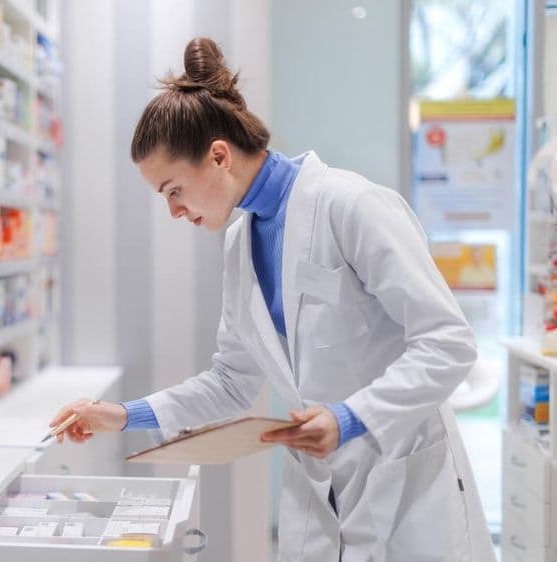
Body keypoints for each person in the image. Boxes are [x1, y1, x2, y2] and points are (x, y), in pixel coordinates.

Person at [49, 37, 495, 561]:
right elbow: (232, 381)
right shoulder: (242, 241)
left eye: (173, 190)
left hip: (404, 478)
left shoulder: (352, 205)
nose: (174, 211)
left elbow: (449, 343)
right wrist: (122, 415)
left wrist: (350, 417)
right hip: (319, 490)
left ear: (218, 155)